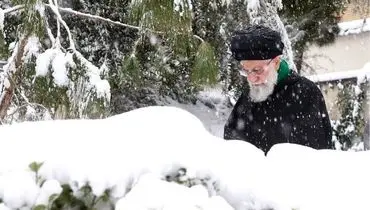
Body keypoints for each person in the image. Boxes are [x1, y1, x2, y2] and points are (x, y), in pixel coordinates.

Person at [224, 25, 334, 154]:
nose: (252, 79)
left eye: (257, 70)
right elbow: (230, 147)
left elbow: (314, 155)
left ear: (276, 62)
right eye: (246, 71)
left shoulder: (305, 93)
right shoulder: (249, 96)